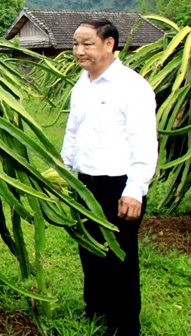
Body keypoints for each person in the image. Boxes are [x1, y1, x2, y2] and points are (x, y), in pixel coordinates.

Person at [61, 19, 158, 336]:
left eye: (87, 43)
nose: (78, 51)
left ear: (109, 44)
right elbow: (72, 133)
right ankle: (96, 309)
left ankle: (125, 325)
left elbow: (144, 142)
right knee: (90, 250)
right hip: (85, 183)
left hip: (119, 185)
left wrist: (135, 190)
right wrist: (65, 171)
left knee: (120, 258)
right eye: (76, 44)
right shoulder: (82, 84)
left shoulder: (132, 87)